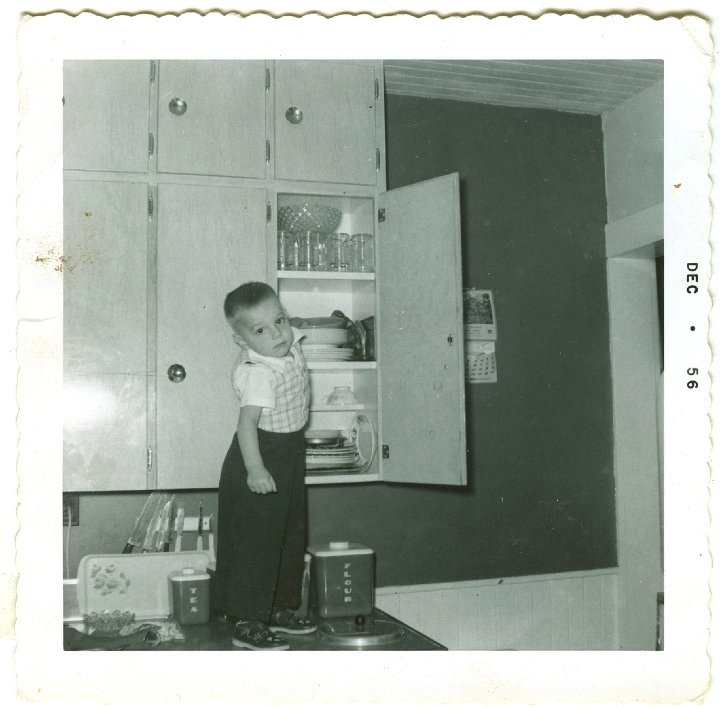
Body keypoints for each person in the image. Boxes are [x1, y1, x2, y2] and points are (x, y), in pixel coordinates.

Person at [214, 281, 315, 650]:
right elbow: (246, 425)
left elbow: (284, 329)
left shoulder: (286, 344)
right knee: (256, 539)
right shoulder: (259, 372)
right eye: (260, 330)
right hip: (258, 455)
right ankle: (245, 617)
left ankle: (276, 608)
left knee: (289, 533)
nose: (277, 334)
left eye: (280, 320)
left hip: (288, 451)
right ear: (242, 342)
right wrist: (256, 470)